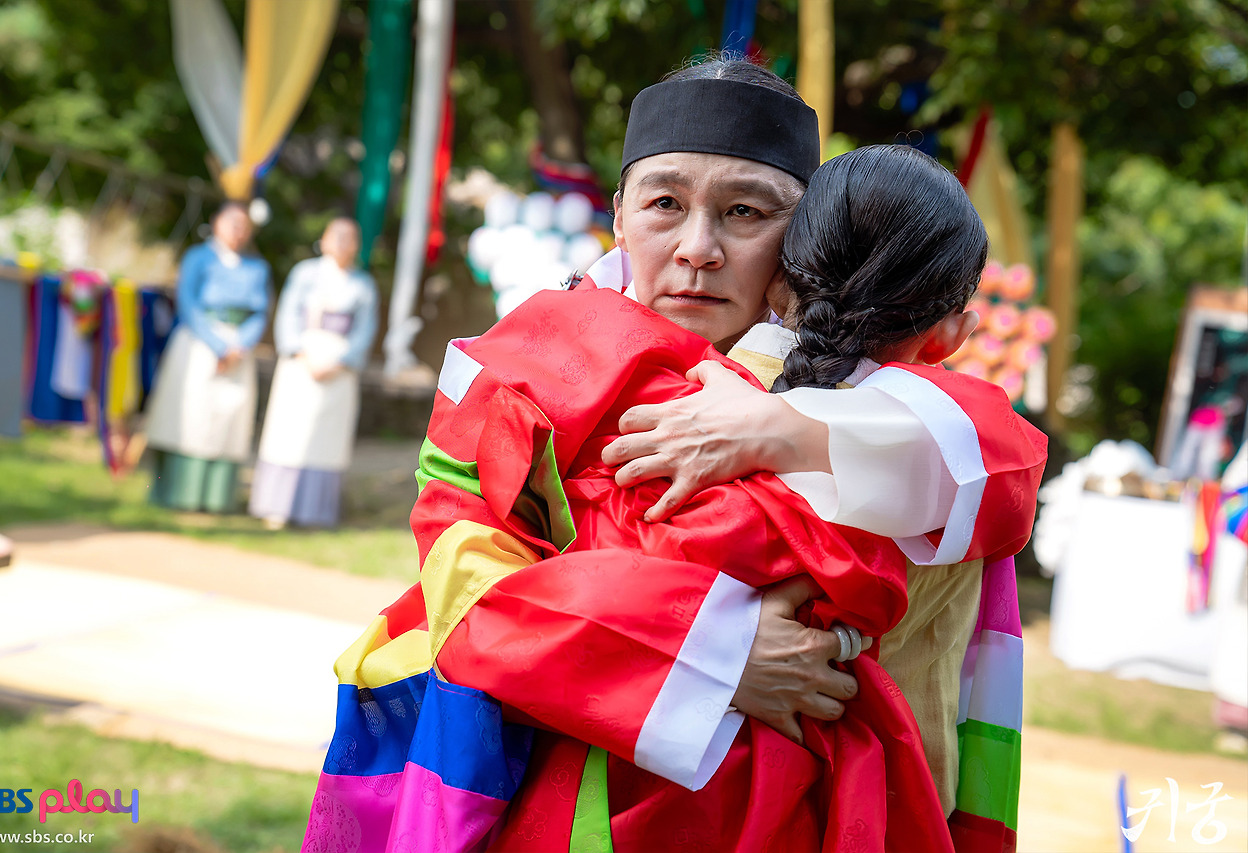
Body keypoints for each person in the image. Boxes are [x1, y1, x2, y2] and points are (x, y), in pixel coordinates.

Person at [303, 60, 1045, 853]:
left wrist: (782, 429)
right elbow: (467, 588)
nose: (699, 247)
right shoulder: (515, 370)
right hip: (566, 805)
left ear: (801, 242)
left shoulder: (886, 404)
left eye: (745, 211)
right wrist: (720, 656)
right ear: (618, 215)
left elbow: (1002, 464)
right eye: (664, 203)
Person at [249, 218, 379, 529]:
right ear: (323, 240)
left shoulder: (363, 285)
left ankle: (316, 511)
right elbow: (288, 313)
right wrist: (300, 352)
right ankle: (274, 506)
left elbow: (365, 329)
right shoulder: (305, 274)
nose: (342, 243)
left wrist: (342, 360)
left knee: (326, 438)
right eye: (337, 236)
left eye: (350, 238)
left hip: (339, 366)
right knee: (287, 433)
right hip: (301, 360)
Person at [144, 202, 271, 512]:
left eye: (244, 226)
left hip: (238, 350)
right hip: (200, 344)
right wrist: (217, 345)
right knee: (190, 416)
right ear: (216, 224)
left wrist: (240, 345)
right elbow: (188, 301)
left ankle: (215, 498)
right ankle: (176, 493)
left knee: (229, 419)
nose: (238, 232)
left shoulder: (257, 268)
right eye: (232, 224)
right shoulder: (198, 258)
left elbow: (261, 312)